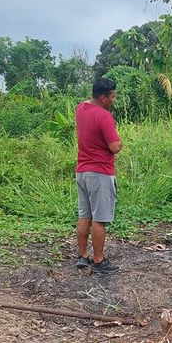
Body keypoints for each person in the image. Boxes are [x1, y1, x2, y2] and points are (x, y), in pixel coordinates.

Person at [75, 77, 123, 274]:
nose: (113, 100)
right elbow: (115, 147)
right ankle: (98, 260)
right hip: (100, 172)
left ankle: (82, 255)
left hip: (82, 171)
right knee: (99, 218)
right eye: (112, 96)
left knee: (84, 214)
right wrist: (120, 143)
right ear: (103, 98)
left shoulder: (81, 109)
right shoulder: (104, 116)